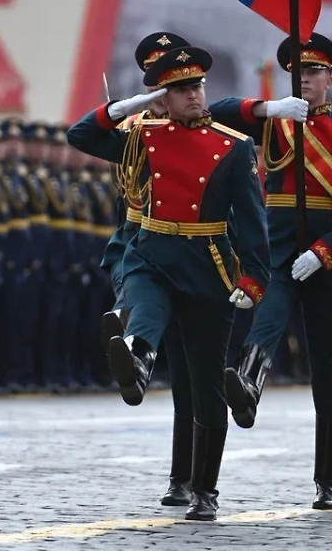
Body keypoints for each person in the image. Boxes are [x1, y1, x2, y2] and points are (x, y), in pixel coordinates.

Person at [67, 44, 269, 522]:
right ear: (164, 95)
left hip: (208, 262)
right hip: (151, 252)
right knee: (143, 307)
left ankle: (204, 488)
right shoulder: (142, 137)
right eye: (181, 89)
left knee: (204, 381)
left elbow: (252, 219)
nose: (194, 95)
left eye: (196, 86)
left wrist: (253, 277)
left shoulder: (233, 145)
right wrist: (129, 107)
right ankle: (135, 357)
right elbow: (80, 135)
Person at [210, 32, 332, 510]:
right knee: (267, 318)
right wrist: (268, 110)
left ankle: (329, 480)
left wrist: (326, 251)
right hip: (281, 252)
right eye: (297, 73)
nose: (304, 80)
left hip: (327, 261)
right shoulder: (275, 124)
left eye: (312, 72)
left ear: (329, 78)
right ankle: (248, 383)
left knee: (325, 370)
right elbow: (219, 111)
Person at [97, 31, 204, 507]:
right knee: (132, 282)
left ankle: (185, 476)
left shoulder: (205, 125)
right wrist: (120, 109)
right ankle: (133, 341)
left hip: (194, 256)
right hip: (139, 245)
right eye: (159, 79)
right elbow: (84, 135)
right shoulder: (135, 130)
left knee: (188, 379)